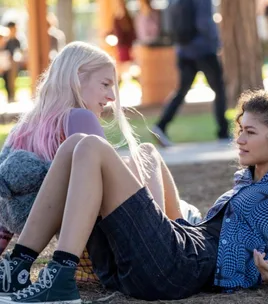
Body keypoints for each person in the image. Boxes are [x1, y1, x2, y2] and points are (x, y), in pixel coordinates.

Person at [0, 88, 268, 303]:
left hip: (180, 269)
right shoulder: (246, 181)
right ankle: (19, 266)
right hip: (163, 258)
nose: (240, 139)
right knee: (76, 145)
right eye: (240, 130)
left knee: (90, 145)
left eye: (250, 132)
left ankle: (59, 276)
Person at [0, 41, 188, 288]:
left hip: (82, 263)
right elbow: (108, 187)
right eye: (106, 84)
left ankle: (178, 227)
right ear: (78, 79)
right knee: (146, 153)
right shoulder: (80, 119)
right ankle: (168, 235)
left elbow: (5, 206)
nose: (111, 97)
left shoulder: (22, 130)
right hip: (111, 249)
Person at [153, 0, 229, 147]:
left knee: (182, 90)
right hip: (204, 50)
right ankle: (223, 132)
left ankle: (161, 125)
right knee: (219, 89)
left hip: (183, 50)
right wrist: (216, 43)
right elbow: (204, 22)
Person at [2, 22, 21, 103]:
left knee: (12, 80)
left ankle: (12, 96)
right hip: (6, 62)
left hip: (13, 62)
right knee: (6, 79)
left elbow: (19, 51)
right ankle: (9, 96)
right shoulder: (6, 40)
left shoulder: (17, 41)